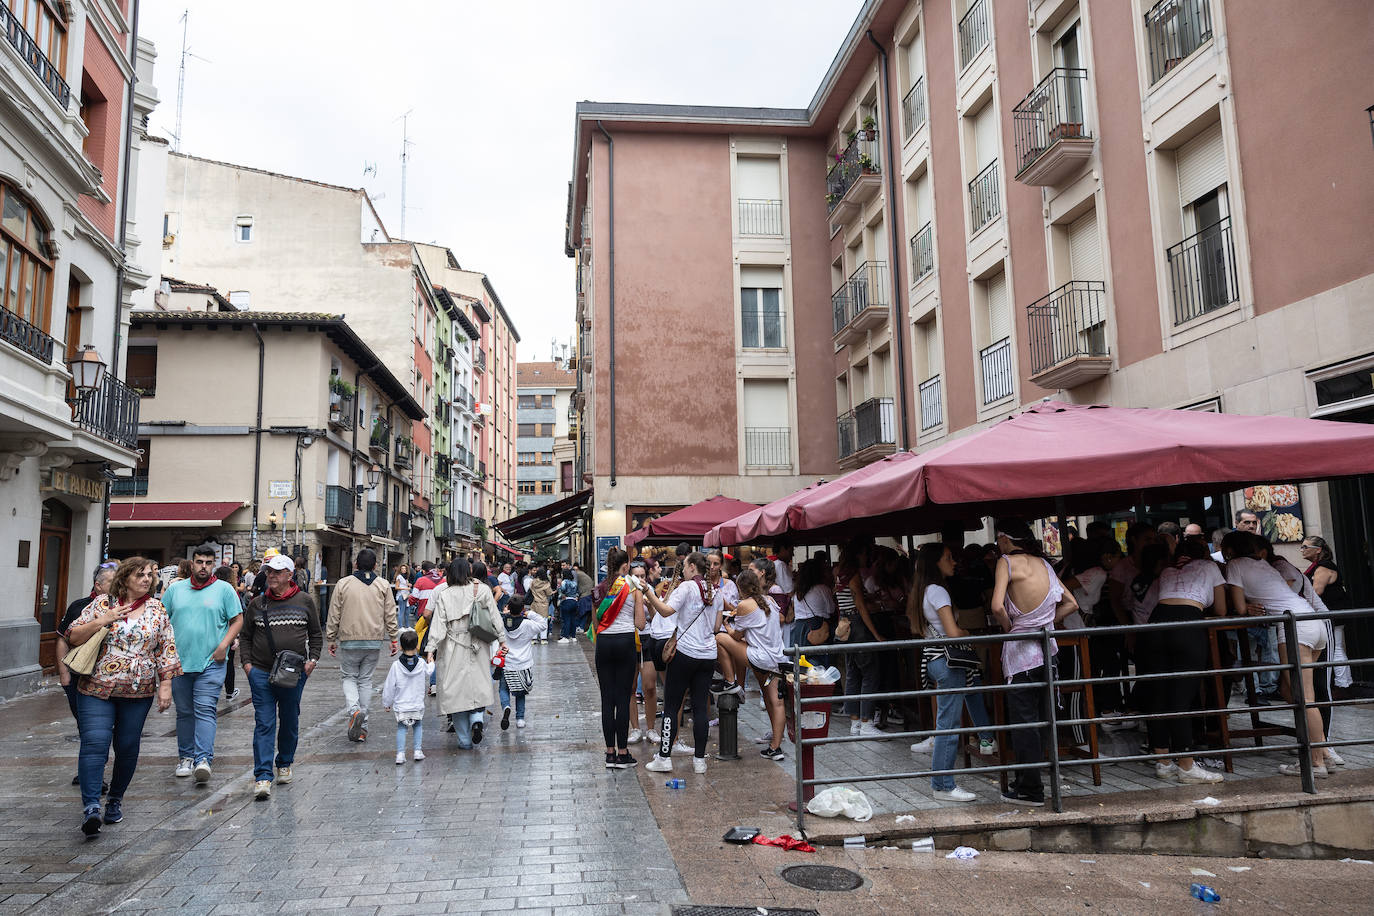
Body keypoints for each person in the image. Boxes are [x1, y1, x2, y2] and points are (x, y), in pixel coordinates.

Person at [65, 557, 181, 835]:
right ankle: (91, 806)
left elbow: (166, 647)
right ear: (125, 578)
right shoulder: (102, 604)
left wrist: (166, 685)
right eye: (140, 574)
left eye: (149, 575)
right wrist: (103, 620)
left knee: (127, 747)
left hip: (138, 692)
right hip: (96, 687)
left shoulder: (157, 609)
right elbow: (73, 636)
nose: (146, 579)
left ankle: (115, 800)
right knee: (95, 742)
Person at [1222, 531, 1332, 776]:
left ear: (1229, 550)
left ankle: (1316, 762)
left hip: (1294, 626)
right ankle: (1324, 753)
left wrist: (1244, 607)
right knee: (1297, 692)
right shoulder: (1263, 564)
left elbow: (1241, 608)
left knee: (1304, 698)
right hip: (1312, 621)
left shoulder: (1234, 566)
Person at [990, 519, 1078, 807]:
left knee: (1025, 722)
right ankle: (1035, 783)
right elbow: (1071, 603)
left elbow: (996, 606)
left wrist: (1012, 628)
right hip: (1048, 652)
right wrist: (1042, 622)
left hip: (1021, 656)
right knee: (1042, 720)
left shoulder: (1006, 562)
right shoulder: (1045, 565)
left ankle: (1031, 790)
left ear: (1004, 539)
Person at [1135, 537, 1227, 784]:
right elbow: (1221, 610)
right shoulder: (1210, 567)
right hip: (1187, 621)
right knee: (1182, 695)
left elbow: (1153, 600)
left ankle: (1163, 762)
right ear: (1204, 554)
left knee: (1159, 692)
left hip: (1157, 622)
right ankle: (1187, 766)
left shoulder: (1165, 570)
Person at [908, 543, 995, 802]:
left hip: (934, 660)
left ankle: (943, 782)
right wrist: (968, 633)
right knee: (949, 724)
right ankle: (943, 784)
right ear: (936, 562)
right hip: (948, 662)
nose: (954, 562)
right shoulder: (938, 591)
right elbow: (953, 632)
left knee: (947, 722)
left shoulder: (922, 591)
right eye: (948, 557)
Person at [241, 554, 322, 800]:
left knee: (289, 720)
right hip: (261, 672)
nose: (271, 576)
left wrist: (313, 660)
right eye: (268, 572)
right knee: (265, 723)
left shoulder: (305, 601)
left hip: (293, 673)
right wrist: (247, 665)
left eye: (277, 572)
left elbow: (316, 634)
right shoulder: (257, 604)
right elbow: (245, 636)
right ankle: (263, 776)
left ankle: (284, 761)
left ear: (289, 575)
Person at [161, 545, 242, 785]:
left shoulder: (225, 590)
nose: (203, 566)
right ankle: (186, 757)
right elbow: (161, 620)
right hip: (179, 663)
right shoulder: (175, 590)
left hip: (211, 662)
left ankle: (203, 758)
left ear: (214, 564)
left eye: (208, 562)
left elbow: (237, 620)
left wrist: (223, 646)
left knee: (205, 709)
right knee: (184, 712)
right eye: (199, 562)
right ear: (192, 563)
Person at [639, 552, 719, 775]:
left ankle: (664, 758)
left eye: (684, 566)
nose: (682, 570)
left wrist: (647, 592)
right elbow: (716, 626)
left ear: (693, 567)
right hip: (708, 654)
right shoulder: (716, 591)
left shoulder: (685, 588)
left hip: (685, 654)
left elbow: (665, 611)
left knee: (672, 706)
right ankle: (700, 761)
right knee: (701, 708)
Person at [426, 558, 504, 750]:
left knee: (455, 694)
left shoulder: (444, 594)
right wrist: (502, 639)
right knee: (477, 686)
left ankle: (464, 740)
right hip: (478, 643)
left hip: (453, 646)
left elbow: (438, 625)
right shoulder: (483, 590)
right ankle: (477, 719)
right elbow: (494, 615)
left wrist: (430, 649)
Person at [327, 548, 399, 742]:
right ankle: (362, 727)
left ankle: (354, 710)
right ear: (376, 565)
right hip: (374, 640)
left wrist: (331, 637)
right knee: (365, 680)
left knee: (349, 677)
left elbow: (334, 612)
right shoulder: (383, 585)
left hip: (349, 639)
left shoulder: (343, 584)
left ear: (355, 564)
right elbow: (390, 613)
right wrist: (393, 637)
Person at [717, 568, 788, 760]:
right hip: (777, 657)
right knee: (775, 701)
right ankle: (775, 746)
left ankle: (732, 681)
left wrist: (727, 625)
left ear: (740, 588)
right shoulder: (770, 600)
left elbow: (736, 636)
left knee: (720, 639)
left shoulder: (744, 605)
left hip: (760, 657)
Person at [55, 565, 117, 778]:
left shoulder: (124, 607)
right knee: (86, 727)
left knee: (100, 729)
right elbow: (63, 640)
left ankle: (94, 773)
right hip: (79, 676)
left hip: (109, 679)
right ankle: (90, 771)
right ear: (98, 585)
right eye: (111, 581)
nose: (117, 585)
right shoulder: (79, 607)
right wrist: (64, 673)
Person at [590, 549, 645, 768]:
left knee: (607, 699)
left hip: (604, 644)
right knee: (623, 698)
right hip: (625, 642)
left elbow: (595, 627)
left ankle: (609, 754)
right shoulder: (633, 588)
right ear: (626, 566)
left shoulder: (597, 590)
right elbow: (640, 624)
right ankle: (623, 753)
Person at [1302, 535, 1351, 747]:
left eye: (1305, 547)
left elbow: (1316, 593)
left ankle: (1343, 684)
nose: (1301, 549)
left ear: (1318, 550)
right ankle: (1342, 684)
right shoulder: (1317, 566)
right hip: (1326, 618)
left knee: (1336, 650)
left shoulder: (1322, 567)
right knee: (1336, 649)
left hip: (1329, 618)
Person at [381, 628, 432, 765]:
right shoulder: (421, 663)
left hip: (401, 704)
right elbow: (430, 670)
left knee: (401, 728)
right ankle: (417, 751)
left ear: (401, 647)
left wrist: (387, 702)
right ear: (416, 646)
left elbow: (389, 686)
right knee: (418, 726)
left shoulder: (396, 666)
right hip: (416, 703)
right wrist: (431, 660)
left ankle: (400, 754)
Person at [498, 593, 547, 731]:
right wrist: (530, 613)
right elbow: (543, 623)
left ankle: (506, 707)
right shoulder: (528, 624)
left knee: (503, 688)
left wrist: (504, 612)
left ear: (508, 607)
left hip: (506, 662)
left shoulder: (501, 622)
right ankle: (520, 719)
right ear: (522, 609)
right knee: (520, 692)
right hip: (523, 664)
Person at [790, 554, 836, 649]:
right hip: (817, 626)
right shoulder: (822, 589)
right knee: (817, 657)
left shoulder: (797, 591)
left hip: (799, 627)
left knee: (801, 657)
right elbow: (831, 609)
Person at [556, 568, 581, 643]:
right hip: (574, 602)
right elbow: (578, 592)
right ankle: (573, 636)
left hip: (566, 601)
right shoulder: (574, 582)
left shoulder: (564, 582)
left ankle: (565, 637)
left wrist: (559, 587)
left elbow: (562, 590)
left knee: (566, 619)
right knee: (573, 619)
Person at [394, 564, 413, 628]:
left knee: (407, 612)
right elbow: (396, 587)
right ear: (400, 569)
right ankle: (400, 626)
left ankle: (407, 626)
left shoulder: (405, 577)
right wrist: (406, 588)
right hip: (401, 595)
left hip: (406, 595)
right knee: (401, 612)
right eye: (402, 568)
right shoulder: (399, 577)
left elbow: (404, 584)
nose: (404, 570)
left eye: (405, 568)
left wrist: (409, 585)